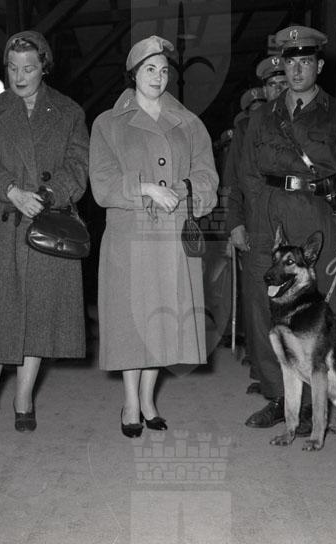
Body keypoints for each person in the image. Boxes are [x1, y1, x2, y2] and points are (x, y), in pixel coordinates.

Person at [238, 25, 336, 430]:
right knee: (263, 309)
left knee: (320, 318)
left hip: (319, 219)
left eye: (305, 62)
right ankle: (279, 397)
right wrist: (253, 219)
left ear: (319, 66)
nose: (296, 71)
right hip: (270, 219)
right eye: (290, 62)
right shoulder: (262, 116)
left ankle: (316, 403)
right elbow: (248, 174)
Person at [0, 30, 89, 435]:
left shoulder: (69, 112)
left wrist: (47, 196)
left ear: (44, 67)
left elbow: (78, 165)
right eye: (13, 68)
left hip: (47, 225)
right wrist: (12, 191)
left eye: (28, 68)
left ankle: (24, 398)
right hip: (0, 222)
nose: (19, 77)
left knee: (39, 317)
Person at [89, 35, 218, 437]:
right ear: (133, 74)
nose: (158, 77)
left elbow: (207, 175)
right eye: (149, 69)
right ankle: (130, 402)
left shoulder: (189, 123)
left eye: (163, 71)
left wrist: (182, 189)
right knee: (131, 321)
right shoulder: (108, 123)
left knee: (161, 320)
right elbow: (102, 183)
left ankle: (148, 399)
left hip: (171, 236)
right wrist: (145, 188)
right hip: (129, 237)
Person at [224, 57, 288, 375]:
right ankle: (266, 374)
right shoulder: (247, 128)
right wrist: (235, 224)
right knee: (258, 300)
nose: (279, 89)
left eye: (283, 82)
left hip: (294, 219)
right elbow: (234, 181)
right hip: (256, 222)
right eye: (273, 84)